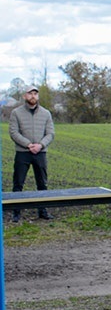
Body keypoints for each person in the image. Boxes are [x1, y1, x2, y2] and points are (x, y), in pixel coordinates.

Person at [7, 85, 55, 223]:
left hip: (40, 153)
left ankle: (42, 211)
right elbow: (13, 132)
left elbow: (50, 133)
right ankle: (16, 212)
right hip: (23, 153)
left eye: (35, 93)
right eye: (30, 93)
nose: (33, 96)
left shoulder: (46, 113)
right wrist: (28, 145)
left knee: (42, 183)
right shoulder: (16, 113)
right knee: (18, 183)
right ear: (25, 96)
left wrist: (40, 145)